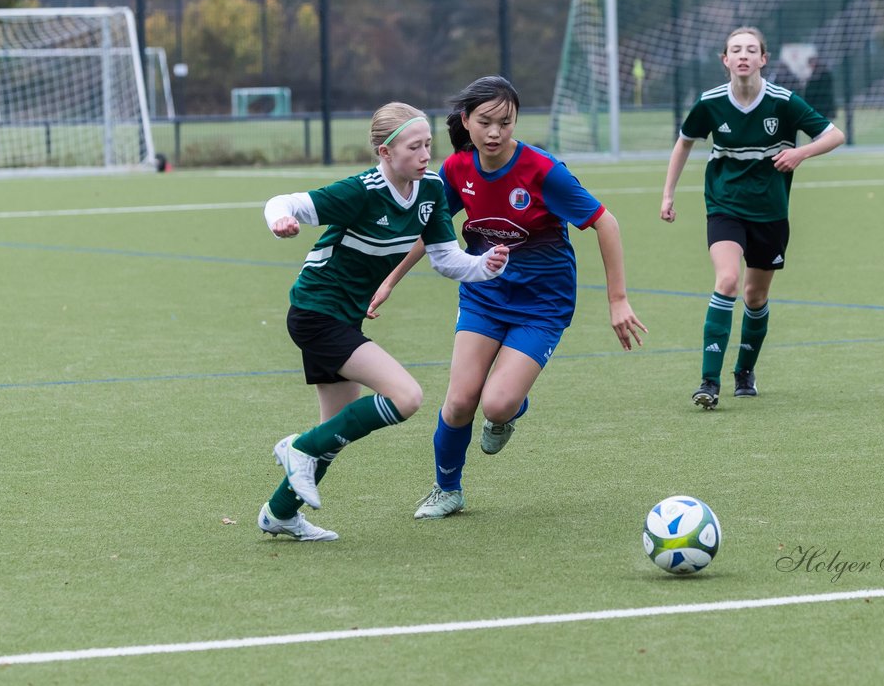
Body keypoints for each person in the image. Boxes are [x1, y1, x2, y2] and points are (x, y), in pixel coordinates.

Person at [369, 75, 648, 520]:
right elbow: (431, 232)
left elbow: (605, 222)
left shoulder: (542, 171)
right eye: (485, 122)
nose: (495, 132)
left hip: (542, 303)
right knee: (460, 401)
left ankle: (510, 408)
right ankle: (448, 490)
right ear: (466, 121)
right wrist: (387, 281)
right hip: (484, 295)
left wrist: (618, 300)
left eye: (506, 121)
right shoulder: (457, 170)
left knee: (496, 403)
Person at [257, 102, 510, 541]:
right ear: (384, 152)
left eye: (428, 144)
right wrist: (278, 219)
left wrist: (484, 265)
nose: (425, 154)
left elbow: (446, 259)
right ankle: (297, 448)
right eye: (414, 147)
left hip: (343, 318)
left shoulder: (429, 190)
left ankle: (279, 513)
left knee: (334, 430)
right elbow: (285, 202)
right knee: (406, 396)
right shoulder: (362, 190)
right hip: (316, 313)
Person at [660, 26, 845, 410]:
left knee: (755, 295)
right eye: (735, 50)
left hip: (770, 212)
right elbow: (684, 143)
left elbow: (834, 135)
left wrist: (800, 153)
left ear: (764, 58)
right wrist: (668, 194)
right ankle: (708, 381)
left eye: (750, 50)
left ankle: (745, 371)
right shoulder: (710, 102)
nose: (743, 56)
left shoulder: (783, 101)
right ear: (725, 60)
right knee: (727, 280)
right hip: (725, 206)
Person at [802, 55, 836, 121]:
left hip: (821, 107)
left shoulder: (819, 75)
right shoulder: (822, 73)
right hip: (824, 107)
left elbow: (811, 91)